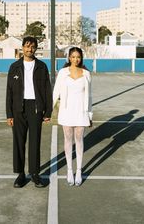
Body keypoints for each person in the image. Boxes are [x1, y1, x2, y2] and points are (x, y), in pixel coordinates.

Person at [6, 36, 52, 188]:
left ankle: (35, 174)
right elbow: (9, 92)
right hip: (18, 108)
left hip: (36, 108)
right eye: (27, 46)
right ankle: (20, 174)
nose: (29, 49)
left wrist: (48, 111)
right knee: (18, 142)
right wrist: (9, 114)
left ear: (36, 48)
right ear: (22, 48)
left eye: (32, 47)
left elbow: (47, 90)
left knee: (35, 142)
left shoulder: (41, 67)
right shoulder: (14, 67)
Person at [53, 47, 93, 186]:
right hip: (66, 111)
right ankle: (70, 170)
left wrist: (90, 114)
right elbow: (56, 92)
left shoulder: (87, 74)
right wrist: (48, 111)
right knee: (68, 139)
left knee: (79, 140)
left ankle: (79, 170)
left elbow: (90, 96)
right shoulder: (63, 73)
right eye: (73, 56)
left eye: (78, 57)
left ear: (81, 58)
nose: (76, 59)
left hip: (81, 112)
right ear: (69, 58)